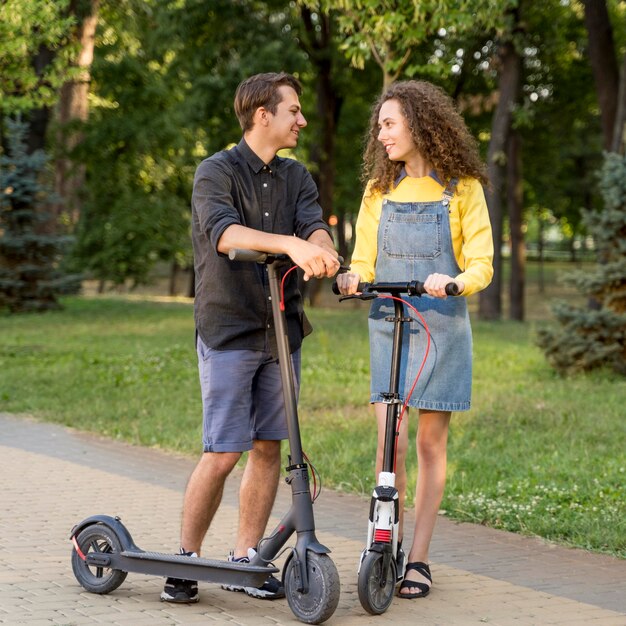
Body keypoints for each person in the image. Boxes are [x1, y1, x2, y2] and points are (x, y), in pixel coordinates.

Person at [161, 72, 340, 604]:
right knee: (223, 451)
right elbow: (225, 235)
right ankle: (186, 561)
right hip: (231, 328)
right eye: (294, 112)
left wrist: (322, 247)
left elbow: (314, 224)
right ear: (264, 115)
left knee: (268, 448)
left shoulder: (296, 176)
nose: (301, 120)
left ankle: (247, 559)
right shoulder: (215, 171)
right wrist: (289, 243)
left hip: (282, 330)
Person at [336, 80, 493, 600]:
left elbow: (482, 262)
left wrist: (455, 282)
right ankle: (384, 543)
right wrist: (352, 277)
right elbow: (362, 256)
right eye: (379, 125)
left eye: (388, 124)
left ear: (420, 125)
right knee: (390, 442)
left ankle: (418, 558)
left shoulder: (462, 188)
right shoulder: (380, 191)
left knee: (429, 442)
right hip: (390, 320)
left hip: (442, 324)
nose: (379, 135)